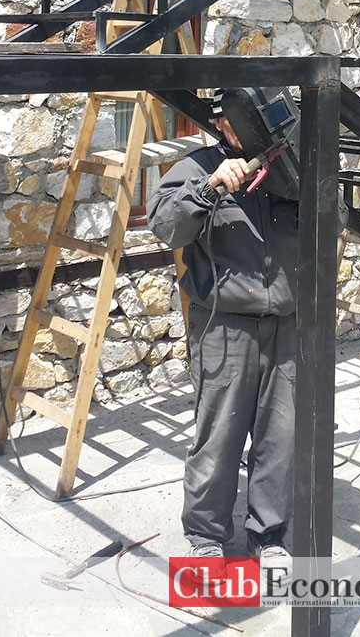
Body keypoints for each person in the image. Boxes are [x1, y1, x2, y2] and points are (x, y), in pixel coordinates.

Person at [146, 90, 297, 570]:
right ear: (221, 123)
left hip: (287, 323)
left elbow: (333, 220)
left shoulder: (291, 166)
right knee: (218, 436)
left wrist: (315, 182)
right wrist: (210, 189)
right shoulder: (197, 167)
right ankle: (206, 537)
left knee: (281, 437)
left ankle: (268, 534)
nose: (245, 127)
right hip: (224, 326)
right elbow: (165, 226)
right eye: (234, 120)